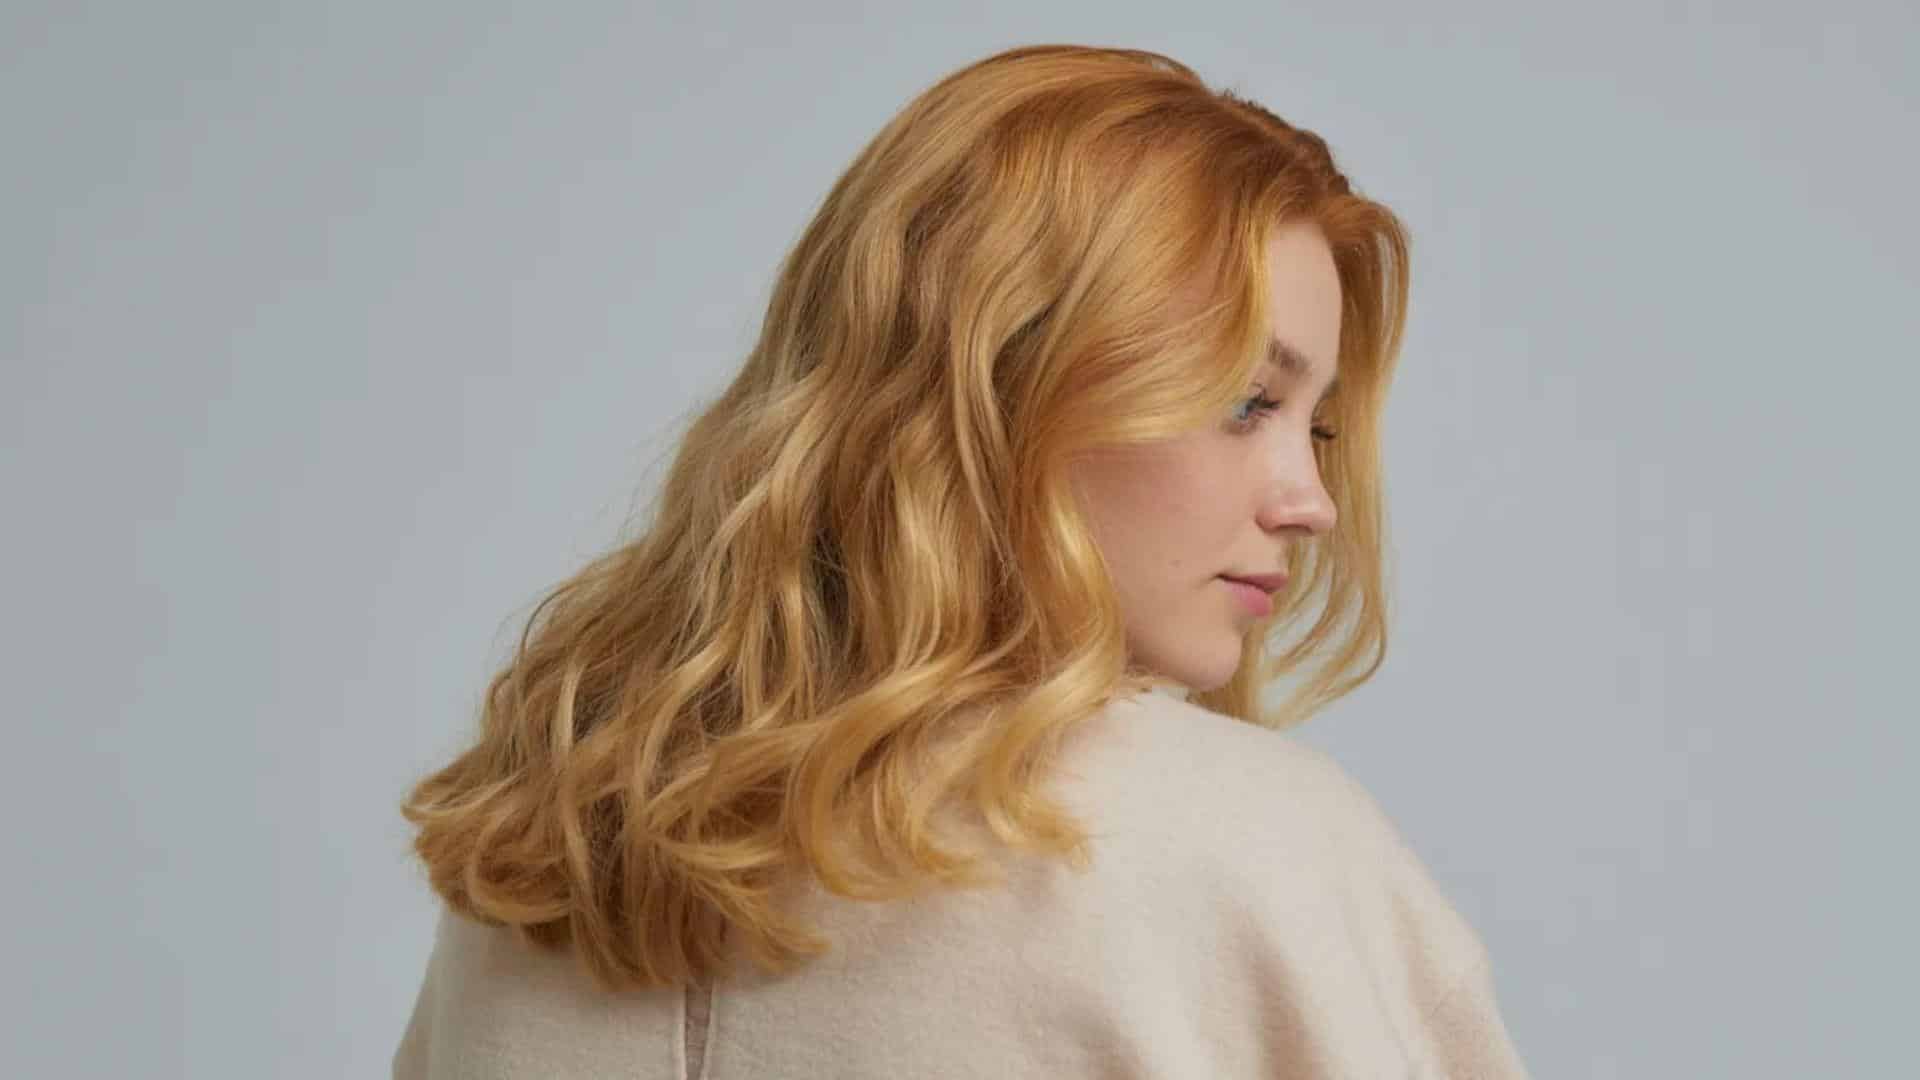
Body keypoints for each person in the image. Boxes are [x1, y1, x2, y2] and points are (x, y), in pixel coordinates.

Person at [391, 43, 1531, 1078]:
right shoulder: (1243, 853)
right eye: (1244, 401)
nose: (1313, 503)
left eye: (1316, 427)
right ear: (1001, 388)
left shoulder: (547, 857)